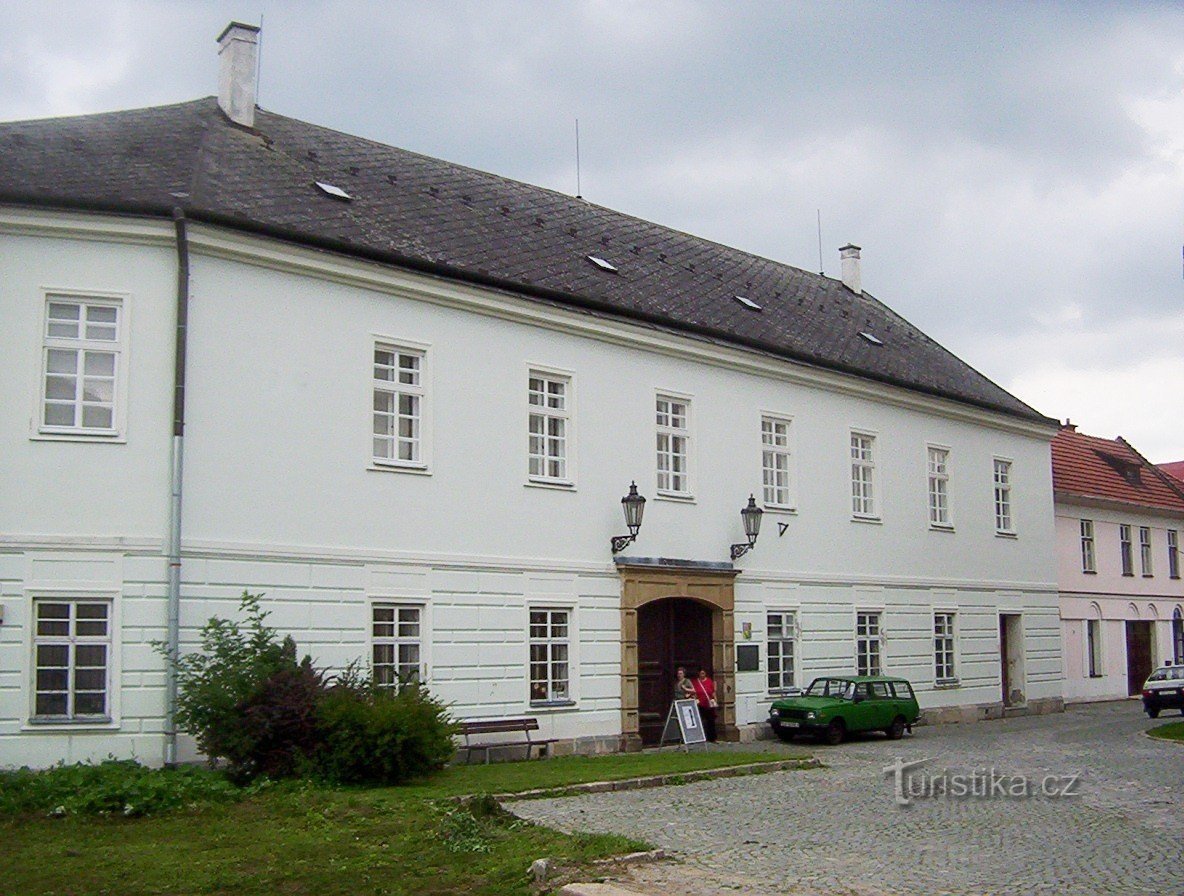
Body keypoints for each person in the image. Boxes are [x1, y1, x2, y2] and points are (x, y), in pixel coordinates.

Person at [692, 668, 718, 742]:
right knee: (700, 721)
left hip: (709, 704)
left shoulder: (709, 681)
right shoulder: (695, 682)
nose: (702, 675)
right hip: (700, 704)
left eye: (703, 673)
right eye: (701, 673)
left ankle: (712, 737)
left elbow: (713, 692)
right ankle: (701, 737)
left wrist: (715, 700)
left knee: (711, 721)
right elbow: (693, 692)